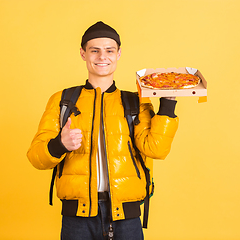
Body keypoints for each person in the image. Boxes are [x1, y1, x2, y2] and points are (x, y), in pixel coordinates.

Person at [27, 21, 179, 240]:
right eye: (94, 50)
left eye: (109, 50)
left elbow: (156, 150)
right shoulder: (62, 101)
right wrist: (60, 144)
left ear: (118, 54)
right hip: (77, 217)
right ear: (83, 54)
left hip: (126, 216)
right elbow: (36, 157)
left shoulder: (136, 102)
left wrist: (168, 105)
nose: (102, 57)